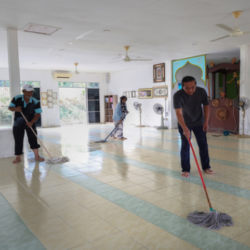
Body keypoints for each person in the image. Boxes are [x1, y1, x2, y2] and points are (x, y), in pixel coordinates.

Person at [173, 76, 214, 178]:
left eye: (193, 87)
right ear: (182, 87)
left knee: (203, 145)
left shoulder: (201, 91)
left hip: (200, 123)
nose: (190, 90)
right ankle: (186, 169)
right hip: (184, 123)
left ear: (195, 85)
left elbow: (206, 106)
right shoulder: (177, 95)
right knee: (185, 146)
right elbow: (178, 113)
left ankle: (206, 166)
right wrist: (185, 128)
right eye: (187, 88)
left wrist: (206, 121)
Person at [8, 84, 44, 163]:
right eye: (28, 92)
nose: (30, 94)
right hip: (18, 124)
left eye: (31, 92)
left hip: (30, 123)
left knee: (33, 139)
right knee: (18, 140)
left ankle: (37, 156)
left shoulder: (35, 101)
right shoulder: (16, 98)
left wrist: (31, 122)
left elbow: (38, 113)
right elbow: (10, 107)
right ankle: (18, 157)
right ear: (23, 91)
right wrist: (16, 109)